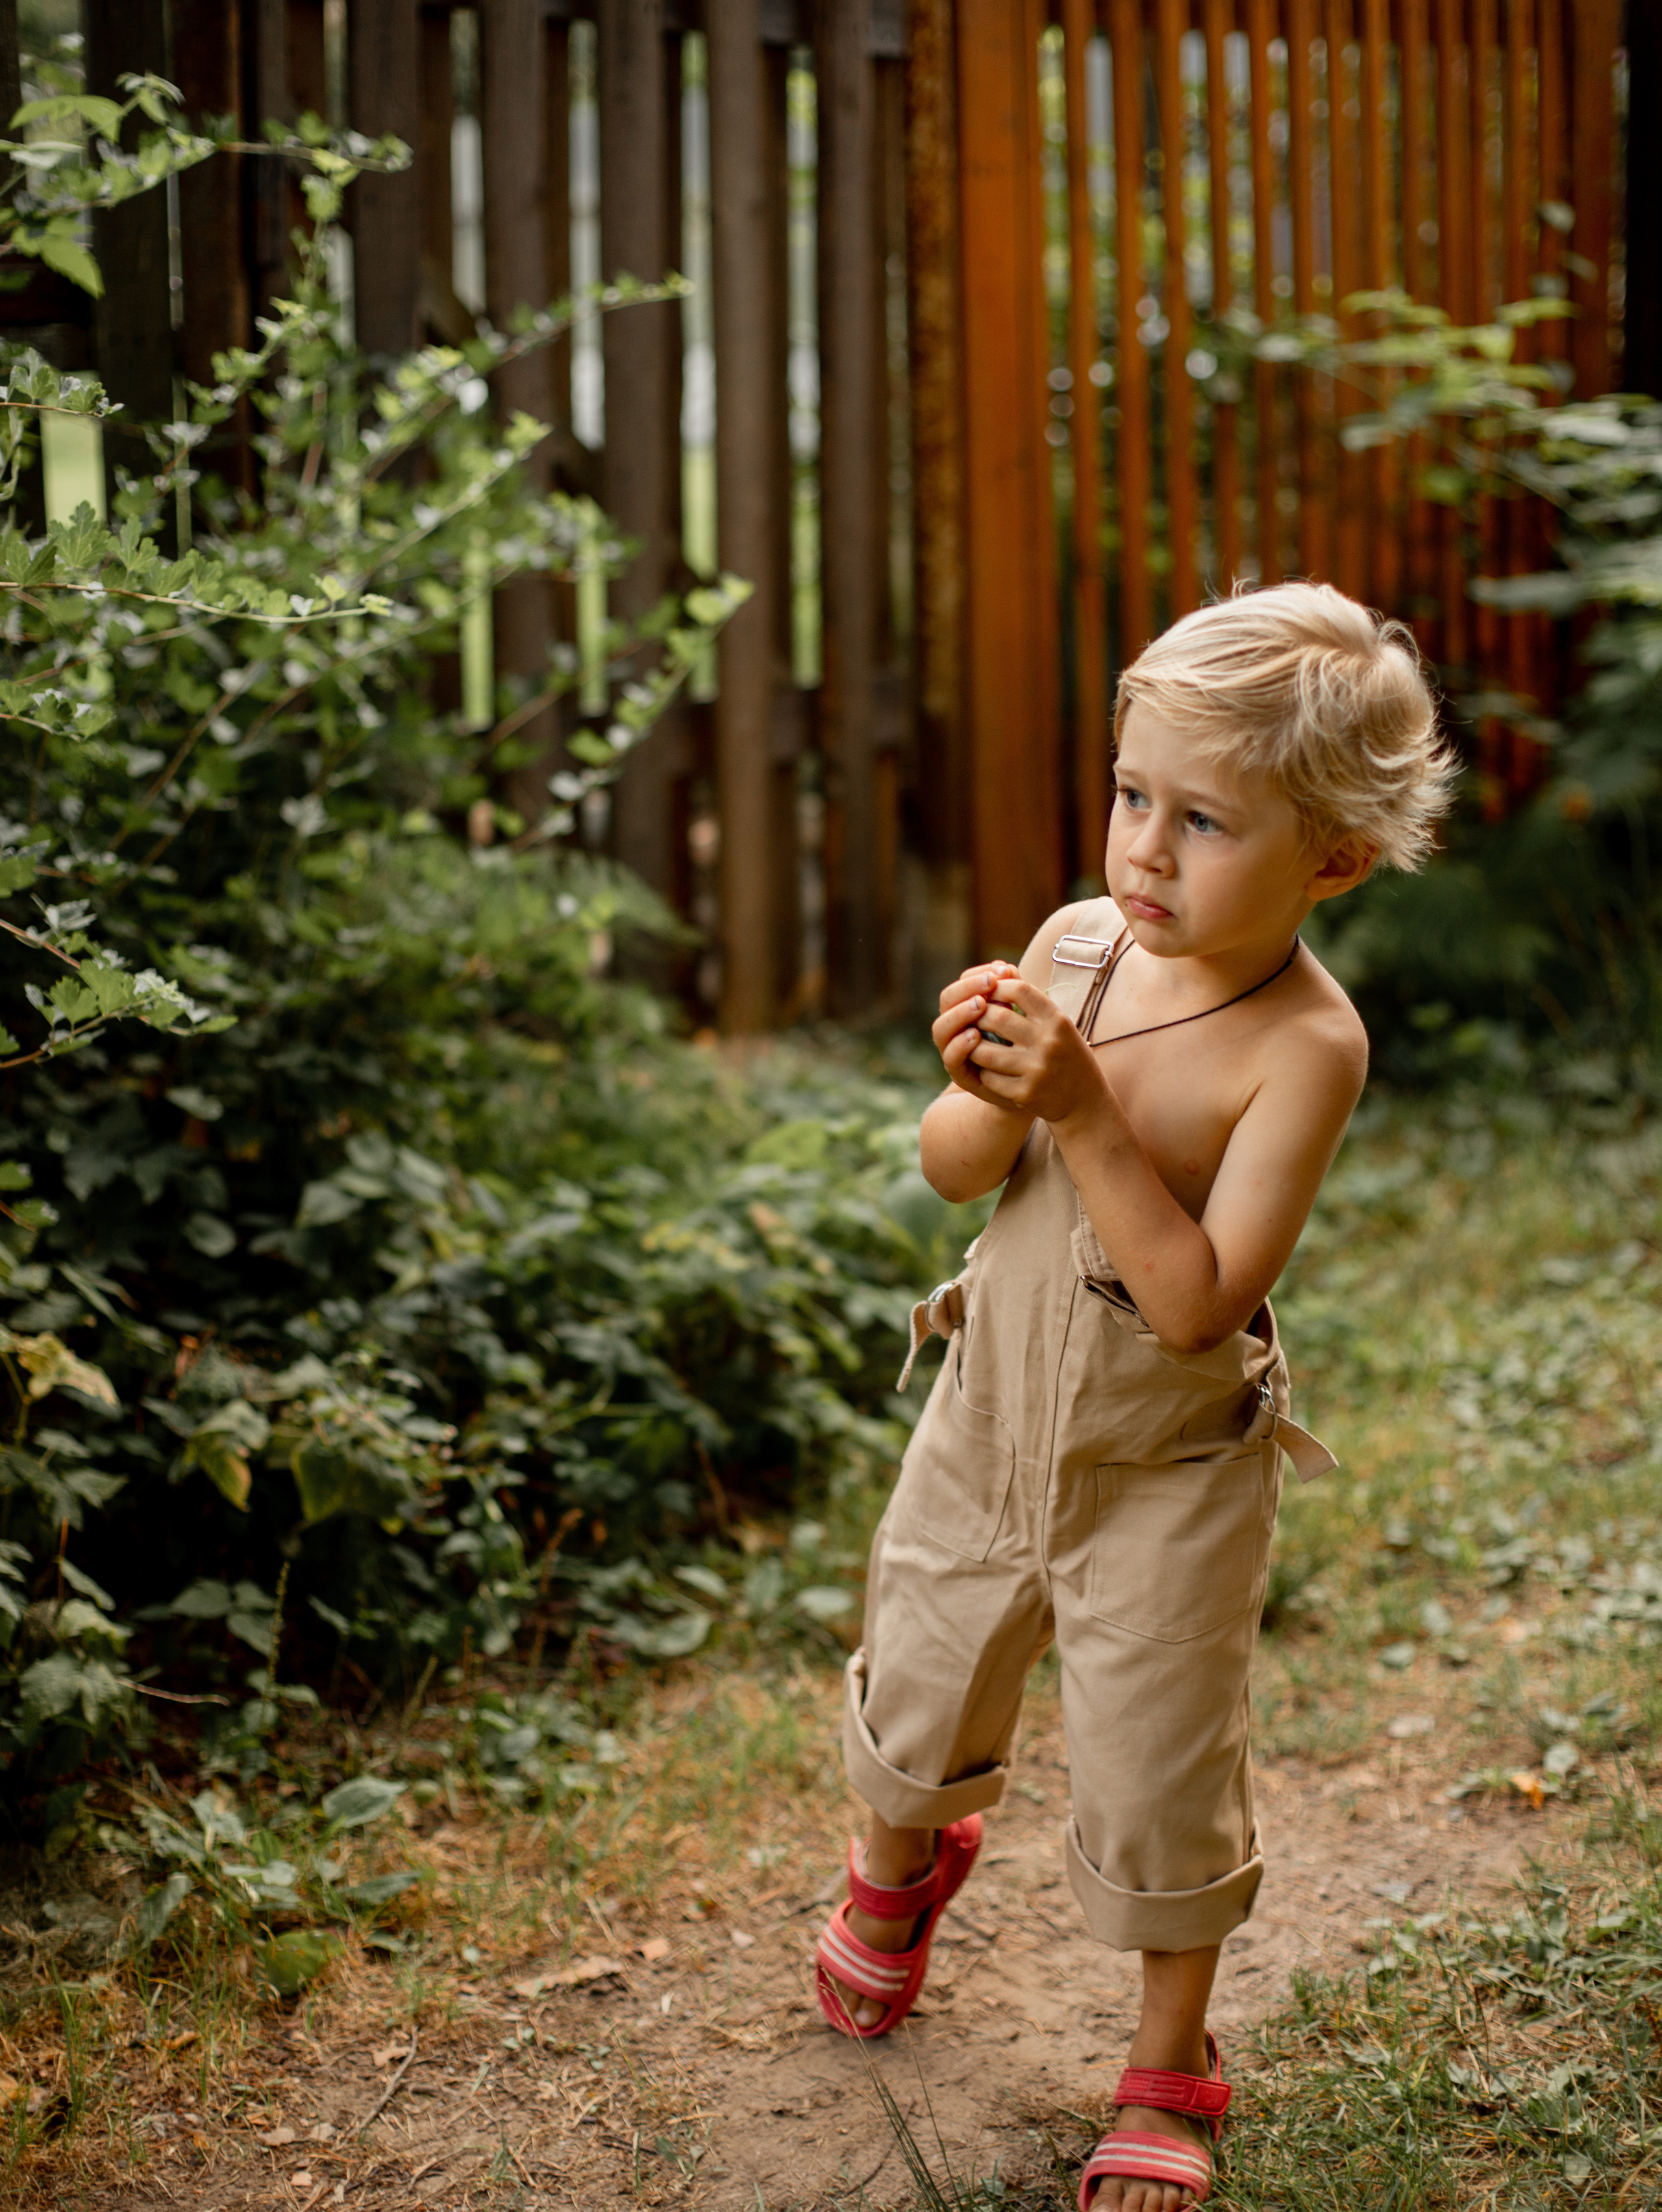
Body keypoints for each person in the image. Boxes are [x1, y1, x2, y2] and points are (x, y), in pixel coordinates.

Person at [813, 583, 1452, 2211]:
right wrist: (975, 1082)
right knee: (920, 1678)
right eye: (1129, 797)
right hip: (990, 1415)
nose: (1143, 853)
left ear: (1330, 861)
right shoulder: (1078, 947)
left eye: (1203, 821)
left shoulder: (1303, 1046)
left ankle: (1172, 2054)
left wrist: (1085, 1109)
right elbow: (957, 1168)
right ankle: (904, 1860)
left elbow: (1191, 1306)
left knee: (1161, 1768)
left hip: (1165, 1469)